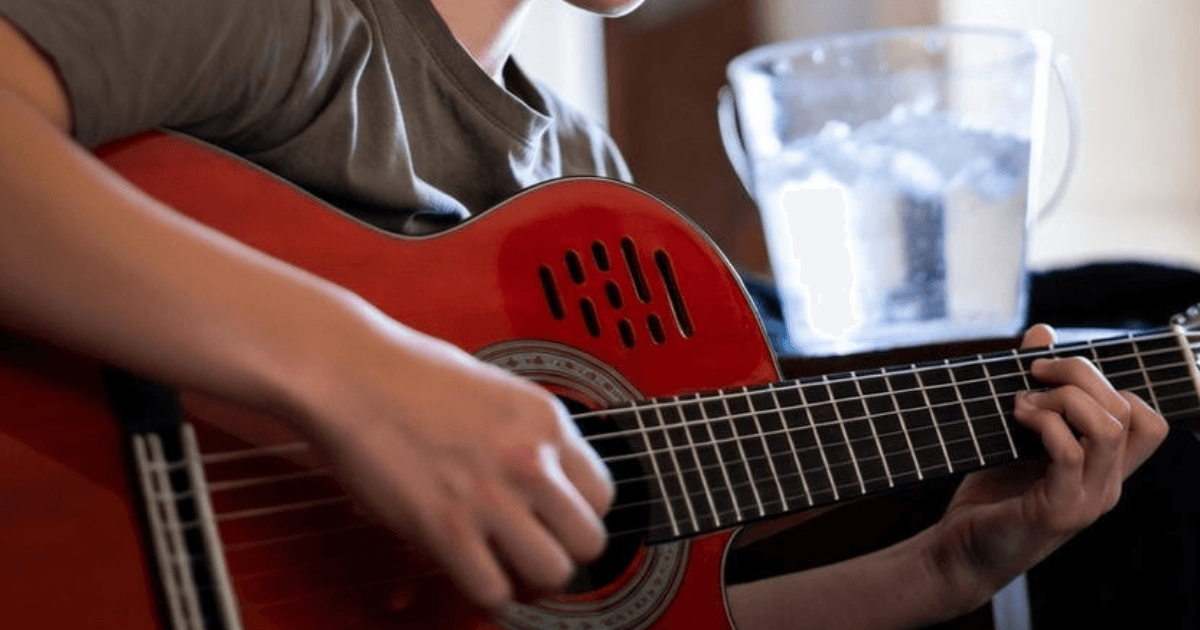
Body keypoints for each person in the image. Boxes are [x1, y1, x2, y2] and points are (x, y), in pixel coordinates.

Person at [0, 0, 1169, 628]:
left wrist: (948, 569)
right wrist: (358, 373)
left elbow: (615, 622)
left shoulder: (589, 183)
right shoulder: (298, 21)